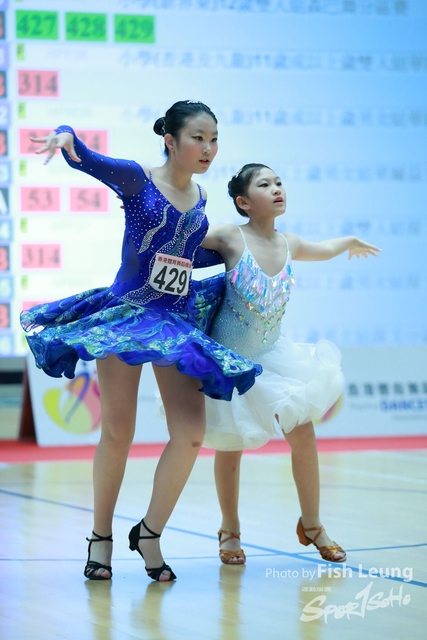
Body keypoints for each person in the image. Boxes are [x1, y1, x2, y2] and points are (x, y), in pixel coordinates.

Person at [20, 103, 261, 582]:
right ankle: (100, 538)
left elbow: (181, 257)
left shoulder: (201, 196)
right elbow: (85, 157)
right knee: (118, 432)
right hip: (125, 317)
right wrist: (65, 135)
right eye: (198, 138)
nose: (208, 149)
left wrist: (238, 251)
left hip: (173, 322)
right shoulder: (137, 179)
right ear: (170, 140)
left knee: (190, 434)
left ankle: (149, 532)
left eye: (214, 139)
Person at [195, 163, 381, 564]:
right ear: (244, 202)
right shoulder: (230, 236)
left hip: (274, 358)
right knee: (231, 445)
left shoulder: (289, 242)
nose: (277, 188)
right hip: (230, 363)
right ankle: (229, 529)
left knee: (304, 433)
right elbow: (184, 239)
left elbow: (324, 250)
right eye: (265, 184)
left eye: (279, 182)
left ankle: (312, 524)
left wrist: (350, 239)